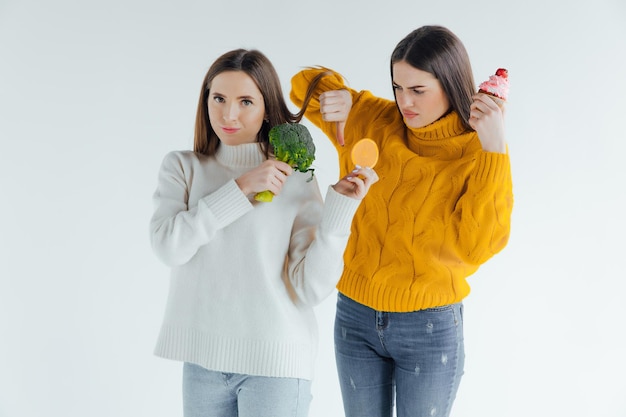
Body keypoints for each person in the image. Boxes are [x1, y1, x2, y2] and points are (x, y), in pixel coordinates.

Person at [290, 25, 514, 417]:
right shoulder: (373, 118)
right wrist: (339, 94)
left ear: (451, 84)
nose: (404, 102)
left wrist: (494, 147)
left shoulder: (477, 152)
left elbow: (480, 246)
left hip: (428, 326)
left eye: (418, 90)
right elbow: (300, 84)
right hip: (355, 315)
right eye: (397, 87)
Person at [149, 48, 378, 417]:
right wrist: (239, 190)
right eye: (219, 98)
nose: (229, 114)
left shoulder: (296, 176)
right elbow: (168, 248)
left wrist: (339, 212)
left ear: (267, 108)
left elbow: (310, 288)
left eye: (245, 101)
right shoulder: (182, 167)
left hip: (276, 366)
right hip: (201, 364)